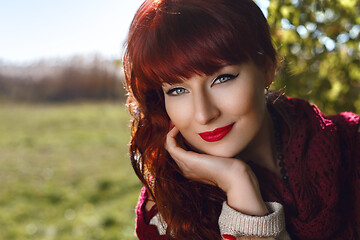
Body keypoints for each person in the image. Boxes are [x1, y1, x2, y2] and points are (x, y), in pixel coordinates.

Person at [123, 0, 360, 239]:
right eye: (177, 90)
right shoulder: (165, 215)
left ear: (267, 68)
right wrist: (239, 185)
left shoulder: (351, 142)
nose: (204, 115)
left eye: (223, 78)